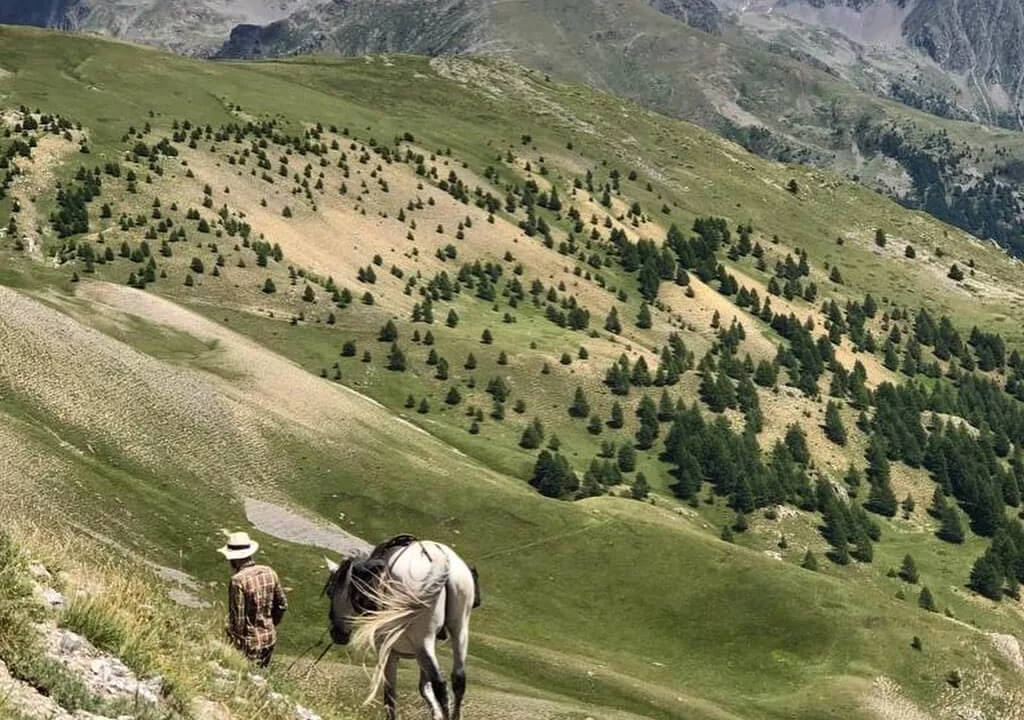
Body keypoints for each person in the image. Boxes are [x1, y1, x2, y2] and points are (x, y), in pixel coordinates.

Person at [218, 531, 287, 668]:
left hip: (250, 643)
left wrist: (233, 640)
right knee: (262, 672)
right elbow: (282, 604)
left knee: (248, 674)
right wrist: (270, 624)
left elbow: (238, 620)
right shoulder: (269, 572)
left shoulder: (238, 581)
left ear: (234, 558)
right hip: (269, 638)